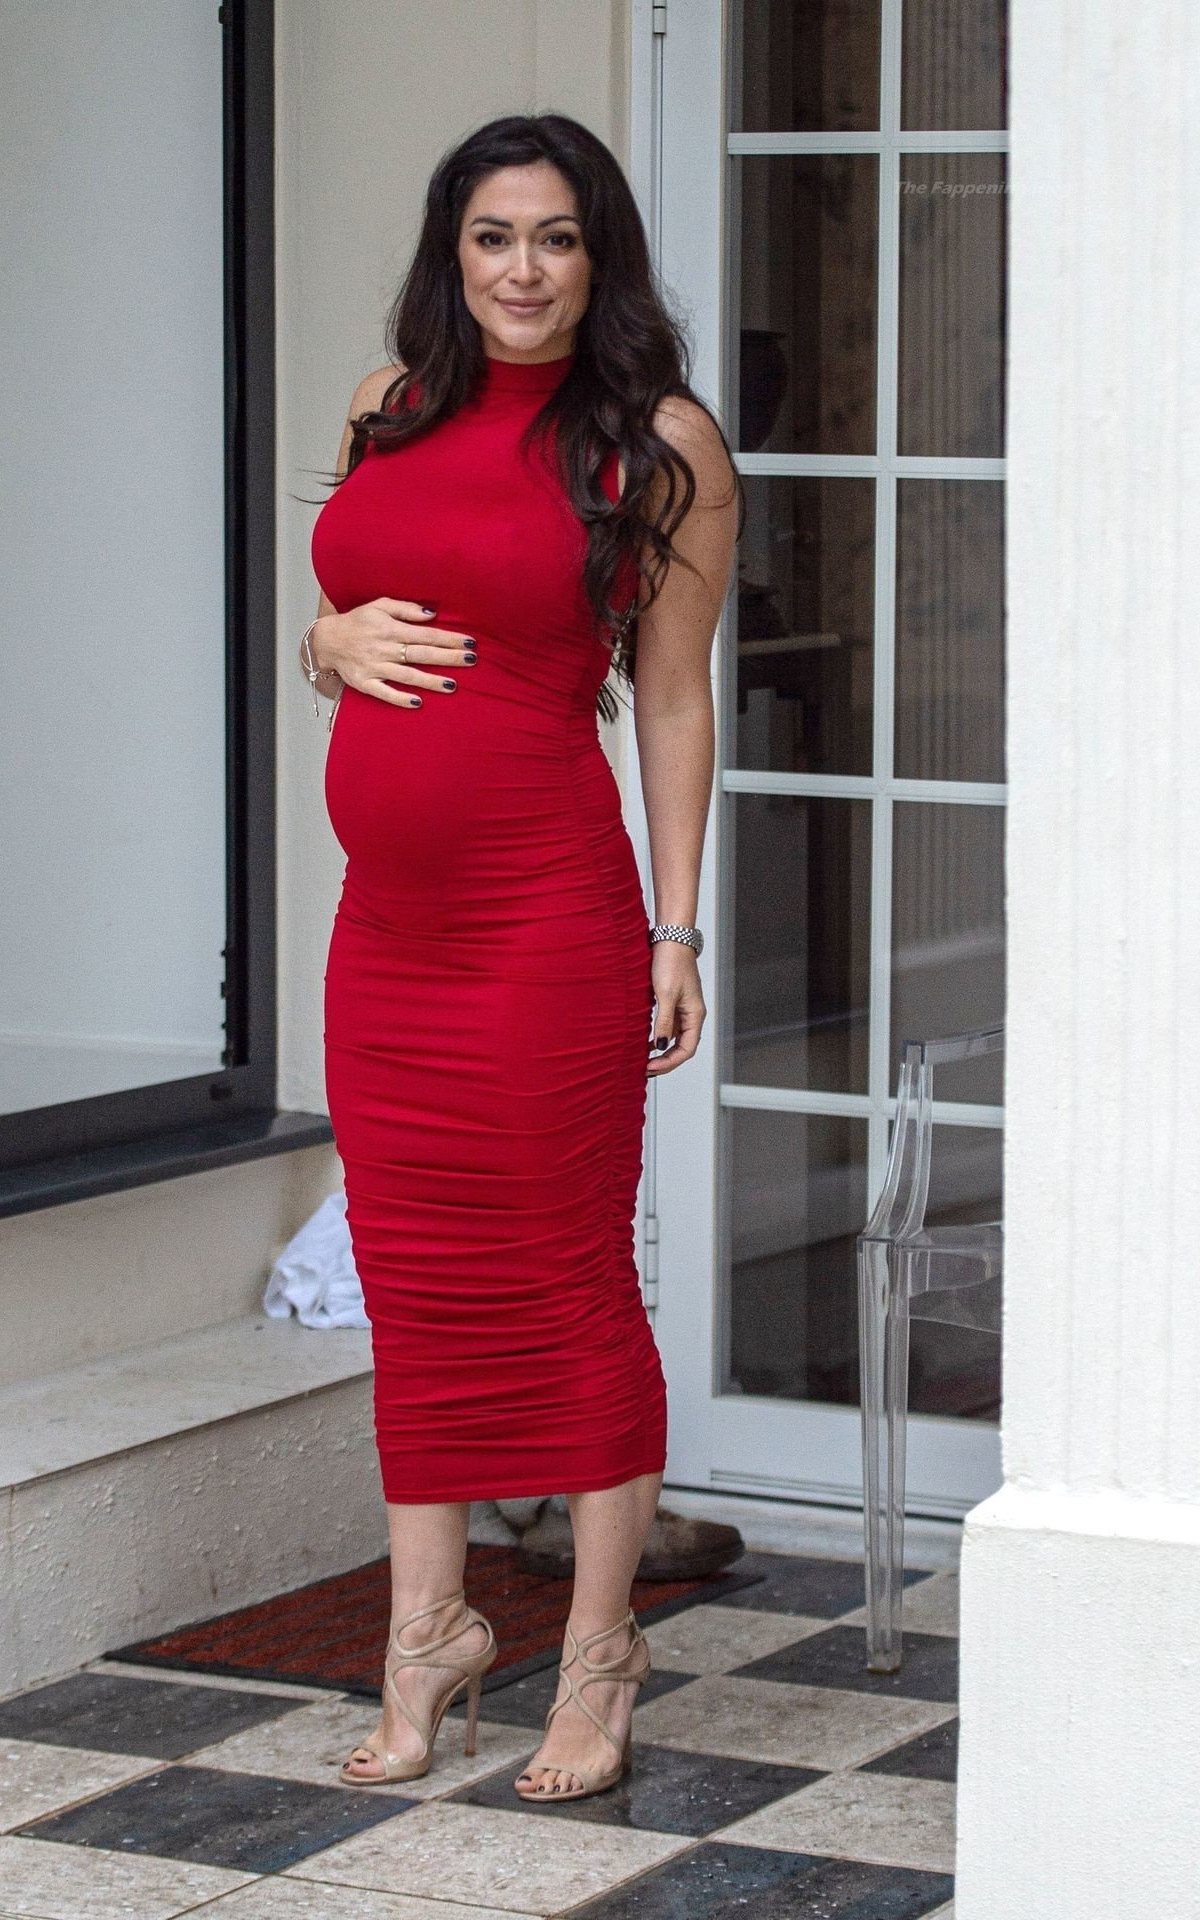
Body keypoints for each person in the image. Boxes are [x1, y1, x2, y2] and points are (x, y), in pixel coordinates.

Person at [301, 111, 738, 1801]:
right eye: (493, 236)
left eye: (556, 236)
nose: (524, 269)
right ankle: (429, 1640)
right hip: (385, 938)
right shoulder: (389, 405)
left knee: (564, 1283)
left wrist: (676, 928)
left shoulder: (657, 444)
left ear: (598, 253)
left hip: (546, 924)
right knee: (414, 1281)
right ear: (454, 252)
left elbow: (676, 701)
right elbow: (358, 604)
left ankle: (601, 1655)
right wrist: (324, 639)